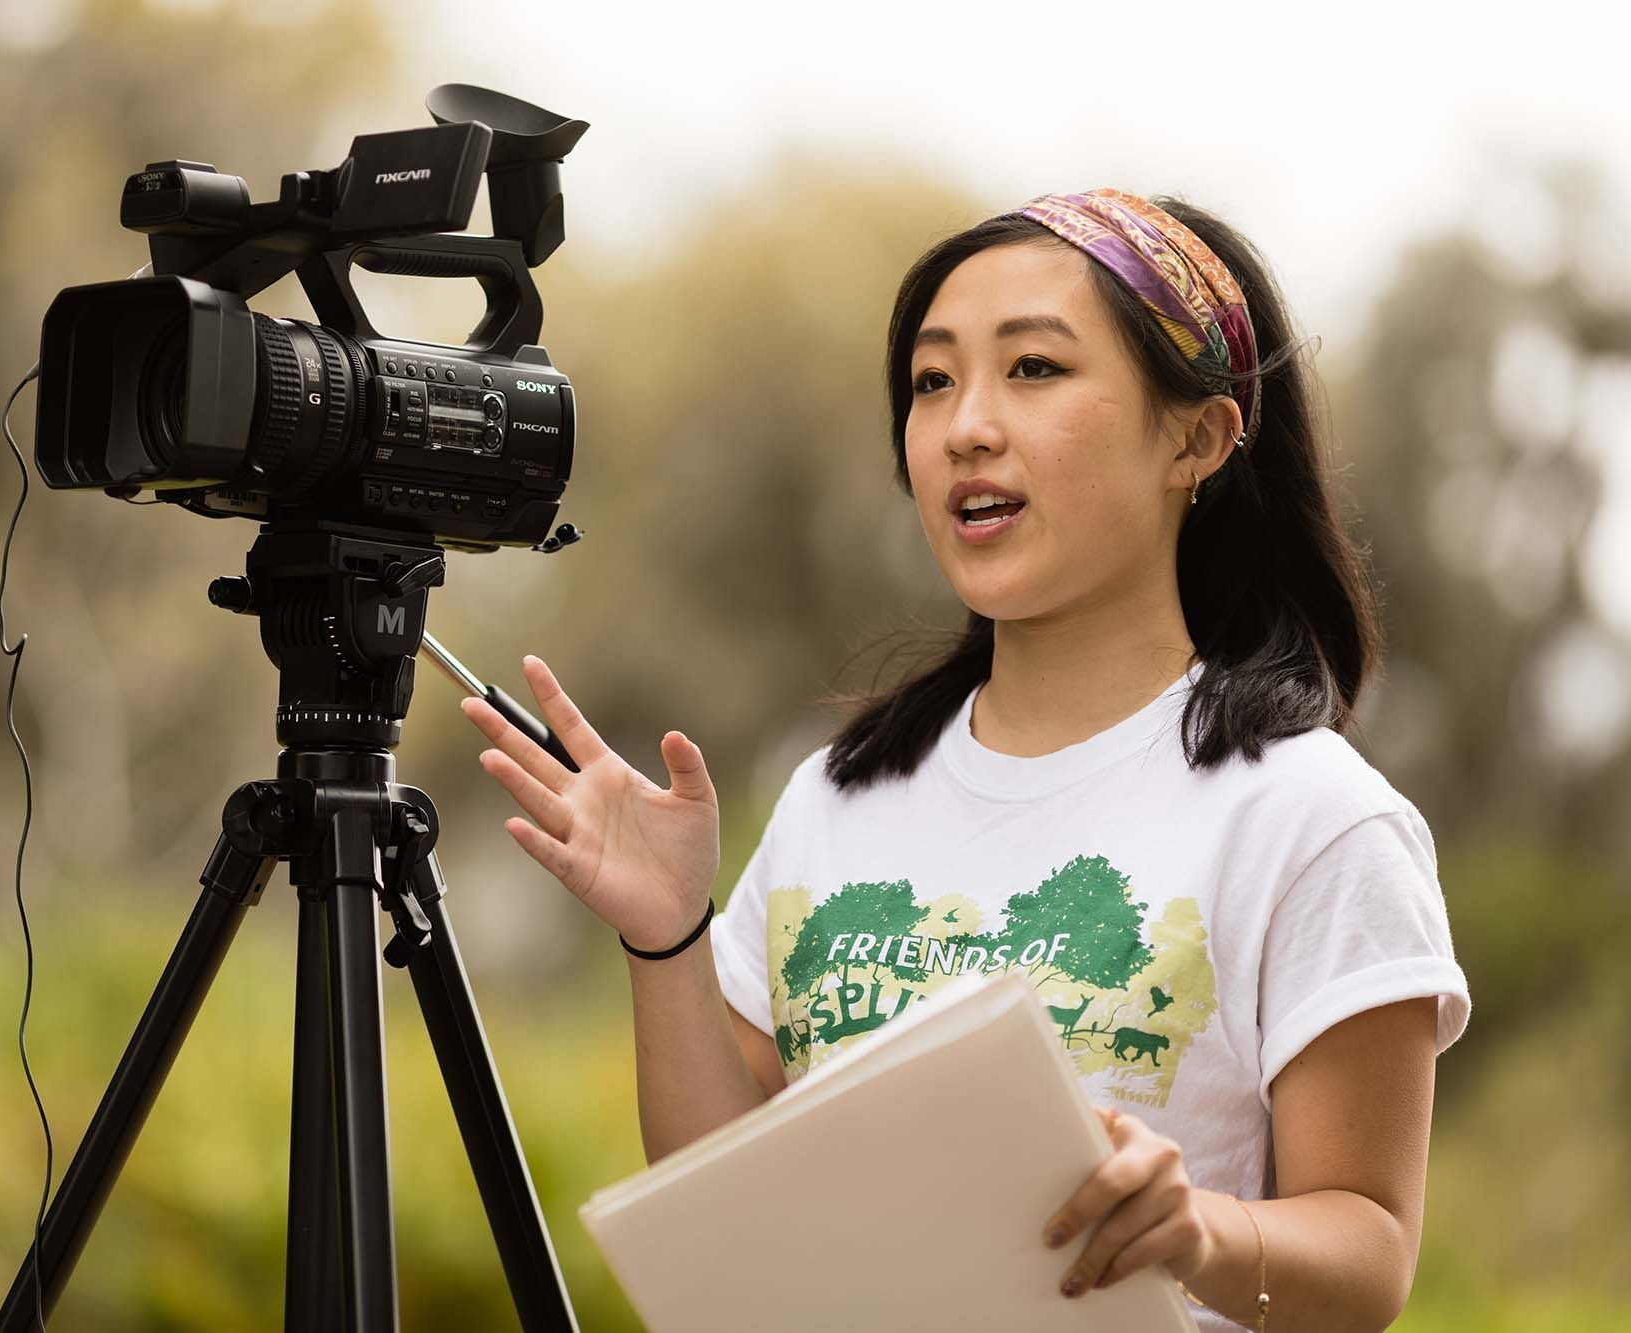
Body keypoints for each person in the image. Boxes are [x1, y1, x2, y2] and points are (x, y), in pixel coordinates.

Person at [460, 187, 1470, 1332]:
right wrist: (668, 935)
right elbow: (737, 1207)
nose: (963, 426)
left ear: (1195, 437)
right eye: (932, 381)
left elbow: (1369, 1252)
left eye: (1032, 369)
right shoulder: (837, 794)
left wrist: (1198, 1227)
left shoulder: (1309, 818)